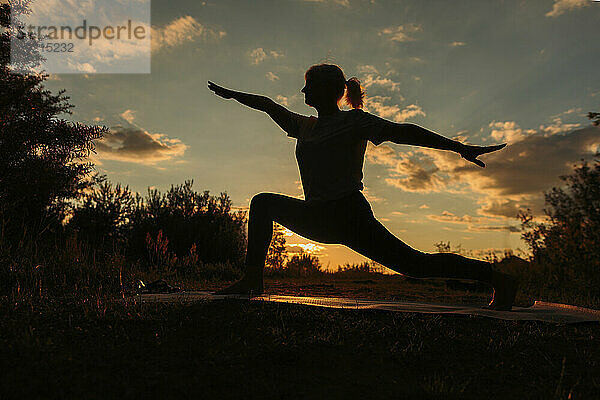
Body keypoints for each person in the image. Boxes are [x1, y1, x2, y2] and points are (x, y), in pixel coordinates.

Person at [207, 63, 518, 310]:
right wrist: (233, 94)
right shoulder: (304, 126)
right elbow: (266, 104)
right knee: (263, 202)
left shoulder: (355, 122)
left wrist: (457, 147)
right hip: (317, 216)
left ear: (329, 90)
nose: (303, 89)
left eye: (309, 84)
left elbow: (404, 132)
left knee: (415, 265)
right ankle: (252, 280)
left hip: (349, 216)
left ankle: (498, 279)